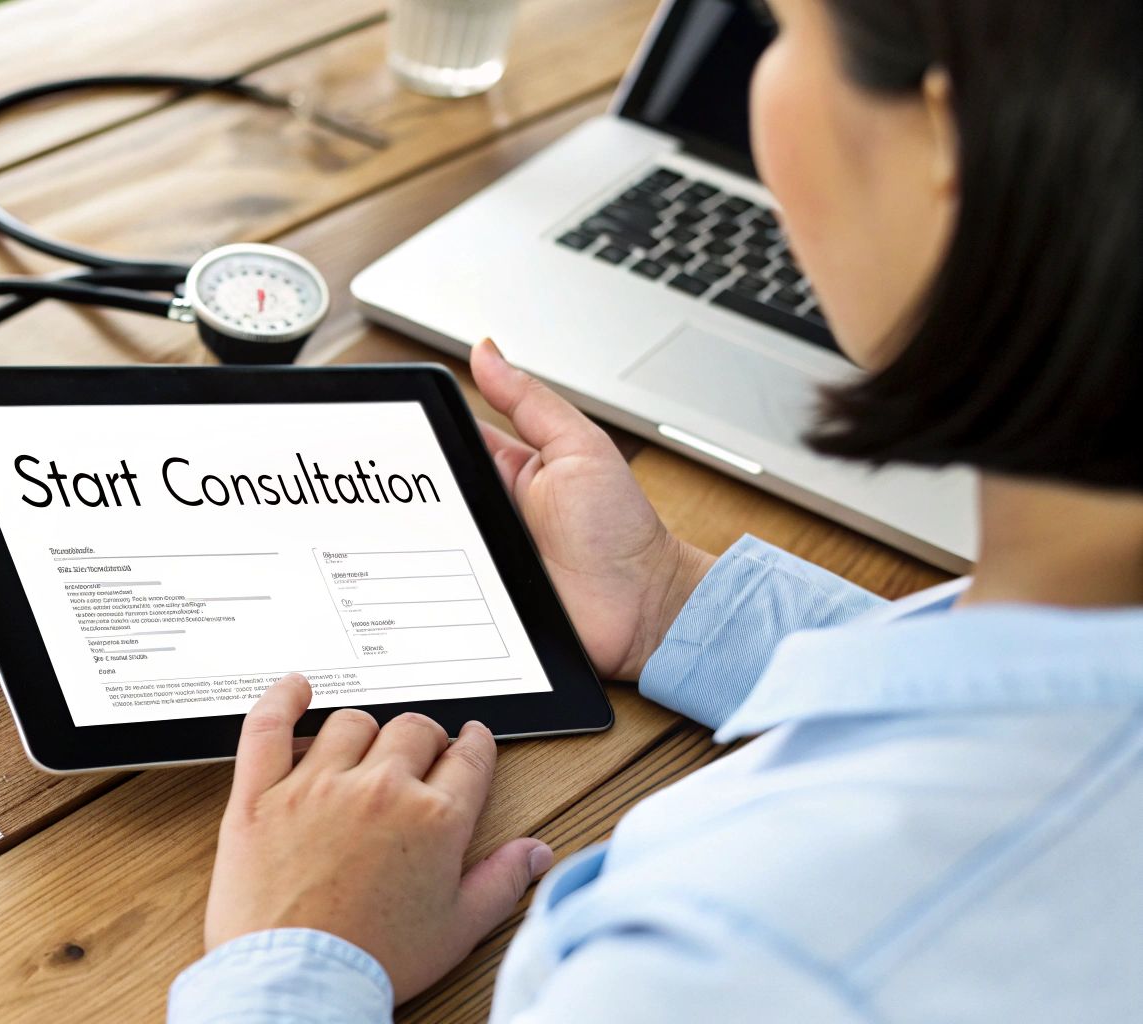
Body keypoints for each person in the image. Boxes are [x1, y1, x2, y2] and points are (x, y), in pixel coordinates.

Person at [168, 0, 1142, 1019]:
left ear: (941, 145)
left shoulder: (732, 962)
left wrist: (299, 955)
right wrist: (672, 598)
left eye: (780, 32)